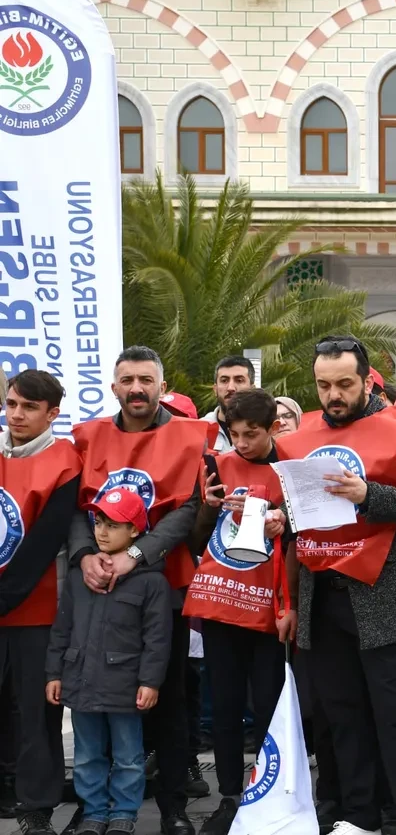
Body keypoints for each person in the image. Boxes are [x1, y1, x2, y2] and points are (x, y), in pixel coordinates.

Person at [275, 336, 396, 835]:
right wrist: (277, 520)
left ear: (368, 379)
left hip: (382, 593)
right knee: (342, 714)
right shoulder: (299, 435)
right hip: (323, 594)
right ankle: (358, 815)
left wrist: (370, 494)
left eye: (344, 384)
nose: (333, 395)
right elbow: (299, 512)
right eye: (324, 385)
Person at [67, 346, 211, 835]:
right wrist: (87, 554)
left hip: (159, 591)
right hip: (96, 590)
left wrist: (136, 555)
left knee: (167, 701)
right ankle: (94, 810)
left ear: (161, 386)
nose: (136, 389)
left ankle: (172, 807)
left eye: (146, 380)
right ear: (113, 387)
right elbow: (74, 507)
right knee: (95, 706)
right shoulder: (90, 439)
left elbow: (188, 510)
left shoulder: (188, 437)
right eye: (127, 380)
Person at [183, 389, 292, 835]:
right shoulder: (215, 466)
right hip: (222, 603)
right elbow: (194, 541)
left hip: (269, 608)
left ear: (274, 429)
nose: (242, 443)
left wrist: (284, 520)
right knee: (225, 705)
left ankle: (271, 792)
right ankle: (230, 794)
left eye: (252, 434)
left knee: (268, 705)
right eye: (234, 434)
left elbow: (310, 535)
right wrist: (208, 510)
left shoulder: (290, 468)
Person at [47, 488, 172, 835]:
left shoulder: (151, 582)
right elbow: (63, 628)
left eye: (113, 524)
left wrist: (150, 682)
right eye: (98, 522)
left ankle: (124, 813)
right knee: (86, 755)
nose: (101, 531)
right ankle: (94, 811)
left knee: (129, 756)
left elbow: (157, 640)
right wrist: (53, 672)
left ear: (135, 531)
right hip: (81, 681)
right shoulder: (79, 577)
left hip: (125, 685)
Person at [0, 371, 83, 835]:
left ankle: (36, 808)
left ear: (52, 414)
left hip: (37, 608)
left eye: (29, 407)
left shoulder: (65, 461)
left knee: (36, 713)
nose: (16, 415)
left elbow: (43, 545)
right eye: (12, 404)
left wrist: (6, 597)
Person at [202, 356, 254, 454]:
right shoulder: (200, 430)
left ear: (252, 389)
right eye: (224, 380)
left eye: (239, 380)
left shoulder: (264, 429)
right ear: (215, 389)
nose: (231, 388)